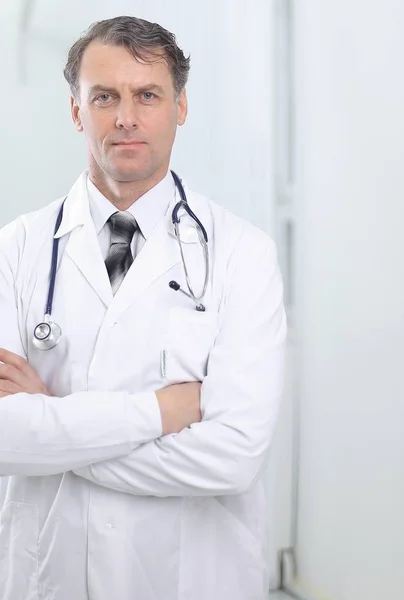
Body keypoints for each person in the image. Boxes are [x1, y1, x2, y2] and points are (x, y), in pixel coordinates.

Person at [0, 15, 287, 600]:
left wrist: (54, 428)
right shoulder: (16, 248)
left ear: (180, 107)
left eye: (147, 95)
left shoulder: (243, 254)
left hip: (195, 581)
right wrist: (163, 411)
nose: (126, 117)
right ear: (76, 110)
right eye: (104, 96)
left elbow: (233, 457)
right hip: (50, 576)